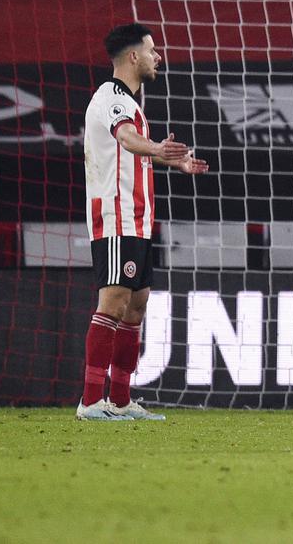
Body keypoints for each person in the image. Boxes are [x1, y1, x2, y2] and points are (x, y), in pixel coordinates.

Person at [76, 23, 209, 421]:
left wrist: (173, 161)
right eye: (152, 50)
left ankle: (119, 400)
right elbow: (127, 139)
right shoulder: (111, 98)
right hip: (117, 218)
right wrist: (157, 148)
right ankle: (90, 402)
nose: (158, 57)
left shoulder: (128, 102)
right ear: (133, 56)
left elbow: (132, 151)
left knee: (135, 306)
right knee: (114, 302)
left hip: (138, 220)